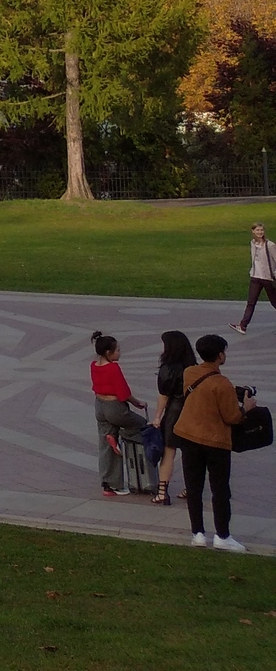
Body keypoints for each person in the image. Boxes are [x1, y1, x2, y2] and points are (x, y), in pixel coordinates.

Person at [175, 332, 255, 551]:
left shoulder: (189, 373)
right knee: (219, 490)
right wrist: (246, 408)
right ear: (220, 355)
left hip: (188, 436)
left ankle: (197, 534)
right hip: (215, 441)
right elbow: (232, 417)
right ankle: (222, 535)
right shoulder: (222, 384)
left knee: (194, 487)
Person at [89, 331, 149, 497]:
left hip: (99, 406)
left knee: (105, 446)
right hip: (114, 407)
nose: (120, 353)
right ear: (109, 353)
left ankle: (109, 485)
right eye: (117, 350)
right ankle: (122, 436)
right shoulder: (113, 368)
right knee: (142, 425)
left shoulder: (94, 365)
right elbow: (123, 392)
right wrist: (138, 403)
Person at [153, 329, 196, 507]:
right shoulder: (193, 367)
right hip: (192, 412)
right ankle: (192, 488)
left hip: (174, 412)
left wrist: (157, 417)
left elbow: (164, 396)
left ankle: (162, 492)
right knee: (191, 453)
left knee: (169, 452)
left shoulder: (168, 368)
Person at [230, 222, 276, 334]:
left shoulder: (270, 245)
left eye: (261, 230)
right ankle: (243, 326)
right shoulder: (253, 243)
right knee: (251, 303)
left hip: (268, 278)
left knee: (274, 302)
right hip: (255, 277)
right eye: (257, 230)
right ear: (253, 231)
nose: (260, 232)